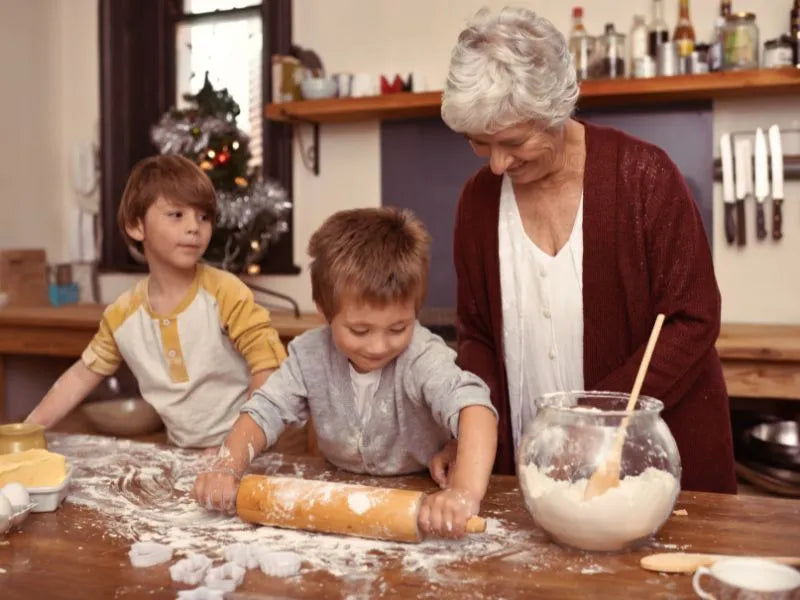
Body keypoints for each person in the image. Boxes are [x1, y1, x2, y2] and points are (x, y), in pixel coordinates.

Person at [431, 7, 736, 493]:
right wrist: (472, 438)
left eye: (512, 142)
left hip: (655, 479)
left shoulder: (644, 176)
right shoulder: (477, 202)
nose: (497, 164)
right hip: (534, 474)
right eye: (478, 143)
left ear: (556, 110)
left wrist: (591, 422)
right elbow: (478, 339)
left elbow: (693, 320)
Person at [193, 208, 498, 537]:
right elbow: (264, 409)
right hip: (338, 492)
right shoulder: (309, 354)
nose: (379, 345)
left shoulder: (421, 355)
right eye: (360, 330)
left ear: (415, 310)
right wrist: (227, 466)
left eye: (398, 327)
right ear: (325, 312)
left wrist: (463, 492)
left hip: (418, 494)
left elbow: (476, 408)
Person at [26, 155, 286, 448]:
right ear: (137, 226)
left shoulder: (226, 293)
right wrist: (29, 430)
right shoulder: (123, 314)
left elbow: (268, 369)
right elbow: (81, 375)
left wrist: (236, 449)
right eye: (177, 215)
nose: (194, 227)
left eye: (203, 217)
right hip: (182, 453)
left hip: (250, 448)